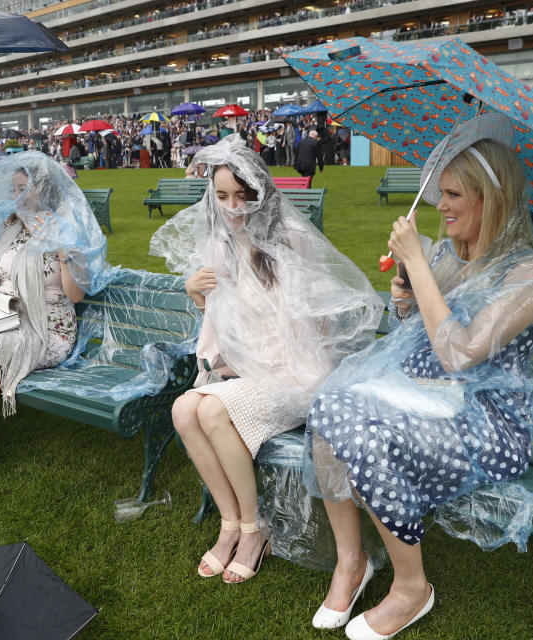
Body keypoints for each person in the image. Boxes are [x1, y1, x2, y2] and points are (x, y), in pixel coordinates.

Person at [304, 114, 533, 638]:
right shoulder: (447, 255)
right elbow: (421, 332)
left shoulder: (531, 276)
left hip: (485, 424)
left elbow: (460, 355)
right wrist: (406, 295)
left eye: (454, 195)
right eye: (439, 193)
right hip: (426, 396)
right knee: (329, 405)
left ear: (490, 197)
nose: (440, 206)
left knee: (356, 425)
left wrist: (419, 265)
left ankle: (412, 587)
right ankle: (352, 563)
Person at [150, 135, 382, 585]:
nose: (233, 207)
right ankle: (231, 523)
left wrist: (255, 363)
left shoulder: (290, 241)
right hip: (248, 372)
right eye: (221, 197)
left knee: (213, 409)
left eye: (242, 196)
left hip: (298, 372)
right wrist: (197, 295)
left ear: (261, 194)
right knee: (183, 408)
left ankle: (253, 531)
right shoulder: (220, 245)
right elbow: (228, 322)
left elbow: (313, 328)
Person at [0, 151, 108, 478]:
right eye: (14, 189)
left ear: (47, 190)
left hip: (46, 330)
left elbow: (75, 295)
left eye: (24, 188)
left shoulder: (67, 229)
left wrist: (64, 249)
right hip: (1, 319)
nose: (17, 196)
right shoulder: (11, 225)